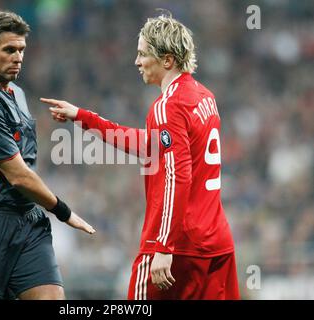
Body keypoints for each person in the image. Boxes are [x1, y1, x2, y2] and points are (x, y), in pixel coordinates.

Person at [41, 13, 240, 300]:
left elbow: (177, 175)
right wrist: (83, 117)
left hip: (179, 246)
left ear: (167, 60)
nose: (136, 62)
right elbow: (150, 145)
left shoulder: (168, 106)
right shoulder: (204, 97)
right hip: (217, 243)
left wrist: (163, 246)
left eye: (143, 54)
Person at [0, 10, 95, 300]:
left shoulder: (16, 93)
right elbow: (18, 175)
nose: (18, 57)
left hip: (26, 219)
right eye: (9, 50)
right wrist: (63, 212)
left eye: (21, 50)